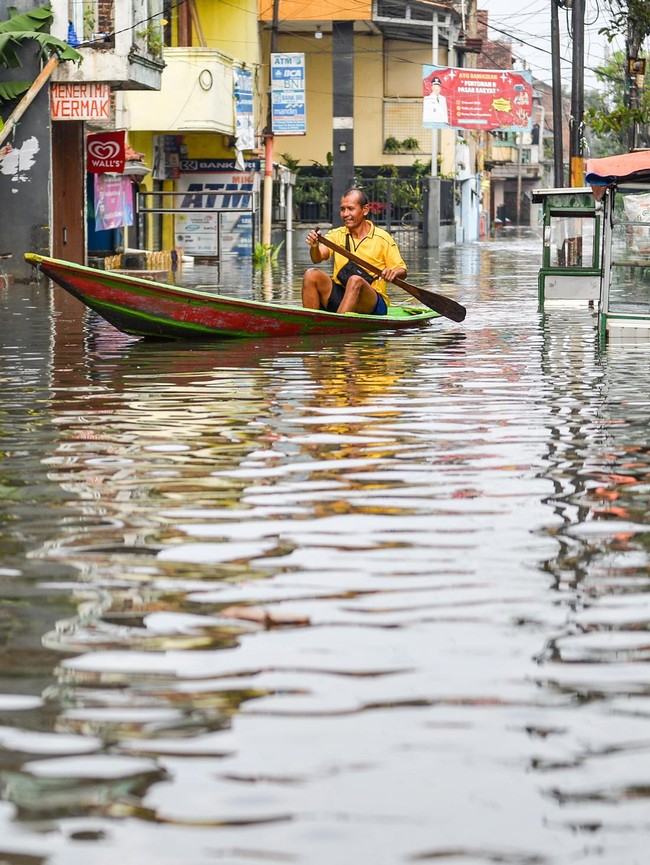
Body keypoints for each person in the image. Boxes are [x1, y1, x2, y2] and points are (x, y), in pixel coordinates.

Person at [302, 188, 407, 316]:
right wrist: (314, 246)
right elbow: (317, 258)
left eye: (350, 209)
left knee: (355, 280)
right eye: (342, 209)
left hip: (372, 304)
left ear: (365, 210)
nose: (345, 214)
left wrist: (392, 272)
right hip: (342, 296)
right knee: (310, 274)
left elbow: (402, 271)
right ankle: (310, 322)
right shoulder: (336, 234)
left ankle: (336, 325)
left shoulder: (383, 238)